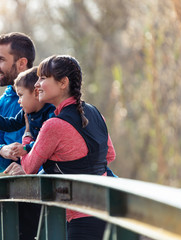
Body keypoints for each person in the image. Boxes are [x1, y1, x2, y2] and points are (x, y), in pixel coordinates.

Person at [13, 55, 116, 239]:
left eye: (43, 78)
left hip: (79, 218)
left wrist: (27, 138)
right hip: (107, 211)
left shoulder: (53, 126)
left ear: (63, 83)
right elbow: (109, 155)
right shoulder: (95, 112)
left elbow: (29, 168)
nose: (37, 84)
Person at [0, 32, 40, 240]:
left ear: (21, 63)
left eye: (1, 59)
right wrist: (3, 151)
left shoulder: (46, 97)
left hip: (49, 197)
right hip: (16, 201)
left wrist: (27, 168)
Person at [0, 67, 55, 163]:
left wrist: (26, 148)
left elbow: (46, 142)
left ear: (36, 92)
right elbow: (10, 124)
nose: (19, 101)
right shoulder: (26, 112)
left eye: (21, 95)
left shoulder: (51, 114)